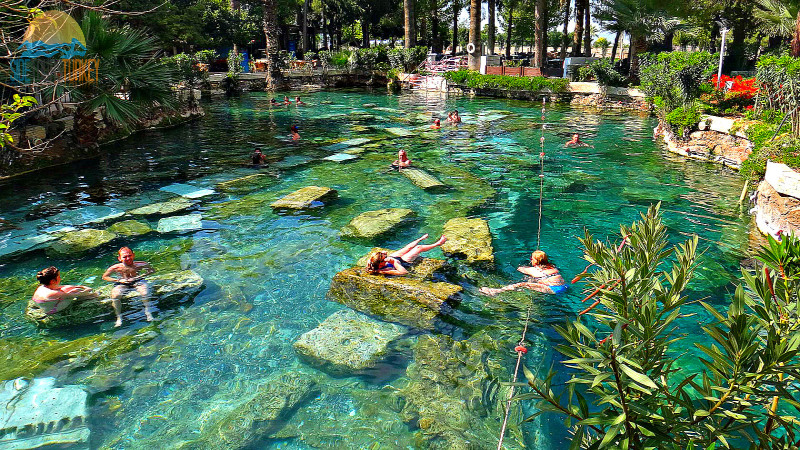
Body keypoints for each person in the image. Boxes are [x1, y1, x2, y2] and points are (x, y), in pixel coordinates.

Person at [102, 247, 156, 326]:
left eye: (129, 255)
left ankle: (148, 312)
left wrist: (139, 276)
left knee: (145, 292)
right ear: (120, 258)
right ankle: (119, 317)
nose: (128, 258)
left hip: (137, 280)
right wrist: (119, 280)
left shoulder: (141, 264)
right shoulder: (116, 267)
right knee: (115, 296)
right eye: (124, 257)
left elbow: (152, 271)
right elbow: (105, 277)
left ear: (133, 255)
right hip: (122, 282)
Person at [479, 250, 569, 296]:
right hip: (564, 286)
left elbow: (519, 268)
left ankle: (497, 291)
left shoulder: (533, 270)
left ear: (535, 261)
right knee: (532, 280)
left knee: (522, 284)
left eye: (532, 259)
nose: (531, 260)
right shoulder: (553, 267)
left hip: (553, 289)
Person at [366, 234, 448, 276]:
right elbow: (404, 272)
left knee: (408, 247)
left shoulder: (372, 261)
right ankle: (438, 243)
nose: (385, 255)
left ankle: (420, 239)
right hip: (401, 262)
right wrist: (393, 262)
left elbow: (378, 255)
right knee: (419, 248)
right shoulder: (384, 270)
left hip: (393, 259)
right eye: (385, 257)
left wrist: (384, 255)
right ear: (381, 263)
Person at [32, 266, 97, 315]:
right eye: (59, 277)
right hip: (51, 311)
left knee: (68, 289)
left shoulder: (41, 287)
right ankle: (96, 297)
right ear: (53, 281)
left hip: (43, 305)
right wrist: (87, 288)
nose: (60, 278)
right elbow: (79, 294)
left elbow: (63, 287)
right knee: (75, 292)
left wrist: (72, 287)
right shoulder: (54, 293)